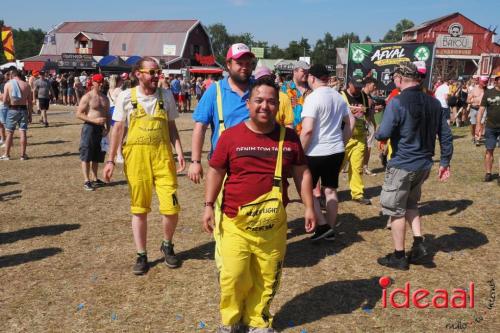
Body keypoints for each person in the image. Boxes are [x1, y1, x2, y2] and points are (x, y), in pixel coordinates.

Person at [203, 77, 316, 333]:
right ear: (248, 104)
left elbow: (302, 173)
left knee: (267, 278)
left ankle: (258, 322)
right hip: (235, 224)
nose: (265, 106)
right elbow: (216, 171)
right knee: (234, 276)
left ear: (278, 105)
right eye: (259, 100)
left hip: (272, 228)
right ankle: (231, 322)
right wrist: (209, 204)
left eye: (271, 101)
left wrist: (310, 206)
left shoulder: (289, 138)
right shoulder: (231, 136)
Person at [103, 57, 185, 275]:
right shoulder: (125, 97)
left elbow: (171, 126)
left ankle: (167, 244)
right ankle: (141, 254)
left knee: (171, 207)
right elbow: (118, 129)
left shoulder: (165, 95)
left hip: (163, 157)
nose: (156, 76)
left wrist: (178, 151)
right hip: (136, 157)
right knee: (139, 208)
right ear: (138, 73)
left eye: (158, 72)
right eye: (151, 72)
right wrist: (111, 160)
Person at [375, 62, 453, 270]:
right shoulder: (434, 102)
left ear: (400, 79)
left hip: (403, 164)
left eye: (394, 78)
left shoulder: (397, 102)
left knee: (396, 209)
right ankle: (419, 244)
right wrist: (445, 161)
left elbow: (383, 133)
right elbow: (445, 135)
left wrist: (375, 130)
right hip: (424, 164)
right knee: (411, 203)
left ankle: (399, 256)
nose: (394, 82)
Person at [189, 43, 255, 272]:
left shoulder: (259, 90)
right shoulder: (215, 91)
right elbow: (200, 126)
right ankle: (225, 265)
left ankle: (246, 256)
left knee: (251, 215)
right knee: (224, 217)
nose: (244, 67)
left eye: (248, 63)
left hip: (254, 167)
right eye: (239, 62)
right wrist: (195, 161)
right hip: (224, 168)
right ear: (228, 65)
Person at [300, 64, 353, 241]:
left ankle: (322, 226)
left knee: (306, 189)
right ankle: (330, 228)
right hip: (336, 150)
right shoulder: (338, 97)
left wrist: (299, 151)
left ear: (312, 78)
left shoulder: (312, 98)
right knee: (330, 190)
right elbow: (350, 122)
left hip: (316, 151)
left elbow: (307, 130)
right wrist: (342, 142)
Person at [340, 74, 372, 205]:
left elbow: (369, 113)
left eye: (360, 87)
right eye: (356, 87)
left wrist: (368, 111)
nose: (358, 90)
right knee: (336, 166)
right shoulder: (340, 96)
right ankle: (327, 192)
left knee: (357, 167)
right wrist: (350, 113)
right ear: (349, 84)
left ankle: (357, 194)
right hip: (344, 137)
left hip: (359, 137)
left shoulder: (364, 96)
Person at [75, 74, 110, 191]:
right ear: (93, 82)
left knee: (97, 154)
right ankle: (86, 180)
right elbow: (79, 114)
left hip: (100, 129)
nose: (100, 84)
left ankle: (95, 178)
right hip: (89, 128)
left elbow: (108, 115)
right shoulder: (87, 97)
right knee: (86, 154)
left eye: (102, 82)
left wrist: (107, 128)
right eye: (98, 82)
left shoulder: (105, 98)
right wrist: (94, 120)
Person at [1, 68, 33, 160]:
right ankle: (23, 155)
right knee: (23, 131)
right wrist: (30, 114)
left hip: (12, 109)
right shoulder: (27, 85)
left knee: (10, 132)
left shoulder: (8, 84)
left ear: (13, 75)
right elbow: (30, 102)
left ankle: (6, 155)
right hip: (23, 110)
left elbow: (5, 101)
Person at [477, 75, 500, 183]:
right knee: (489, 150)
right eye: (499, 79)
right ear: (496, 81)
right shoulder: (488, 93)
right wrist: (478, 124)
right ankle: (488, 173)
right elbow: (481, 110)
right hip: (491, 127)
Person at [281, 61, 311, 133]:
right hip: (290, 132)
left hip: (308, 132)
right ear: (295, 71)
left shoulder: (311, 88)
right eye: (303, 71)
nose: (306, 74)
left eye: (307, 71)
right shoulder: (285, 88)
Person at [361, 76, 379, 176]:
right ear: (368, 84)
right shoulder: (361, 95)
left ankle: (364, 167)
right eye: (374, 85)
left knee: (367, 146)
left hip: (369, 123)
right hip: (363, 124)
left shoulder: (369, 96)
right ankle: (363, 167)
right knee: (365, 146)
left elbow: (369, 111)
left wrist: (375, 109)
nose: (375, 87)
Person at [467, 76, 487, 145]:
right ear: (480, 82)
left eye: (486, 82)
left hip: (483, 109)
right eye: (484, 82)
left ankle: (477, 138)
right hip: (474, 108)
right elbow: (468, 100)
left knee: (481, 123)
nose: (485, 83)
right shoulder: (474, 89)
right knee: (473, 124)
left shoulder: (487, 90)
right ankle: (473, 136)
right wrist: (473, 101)